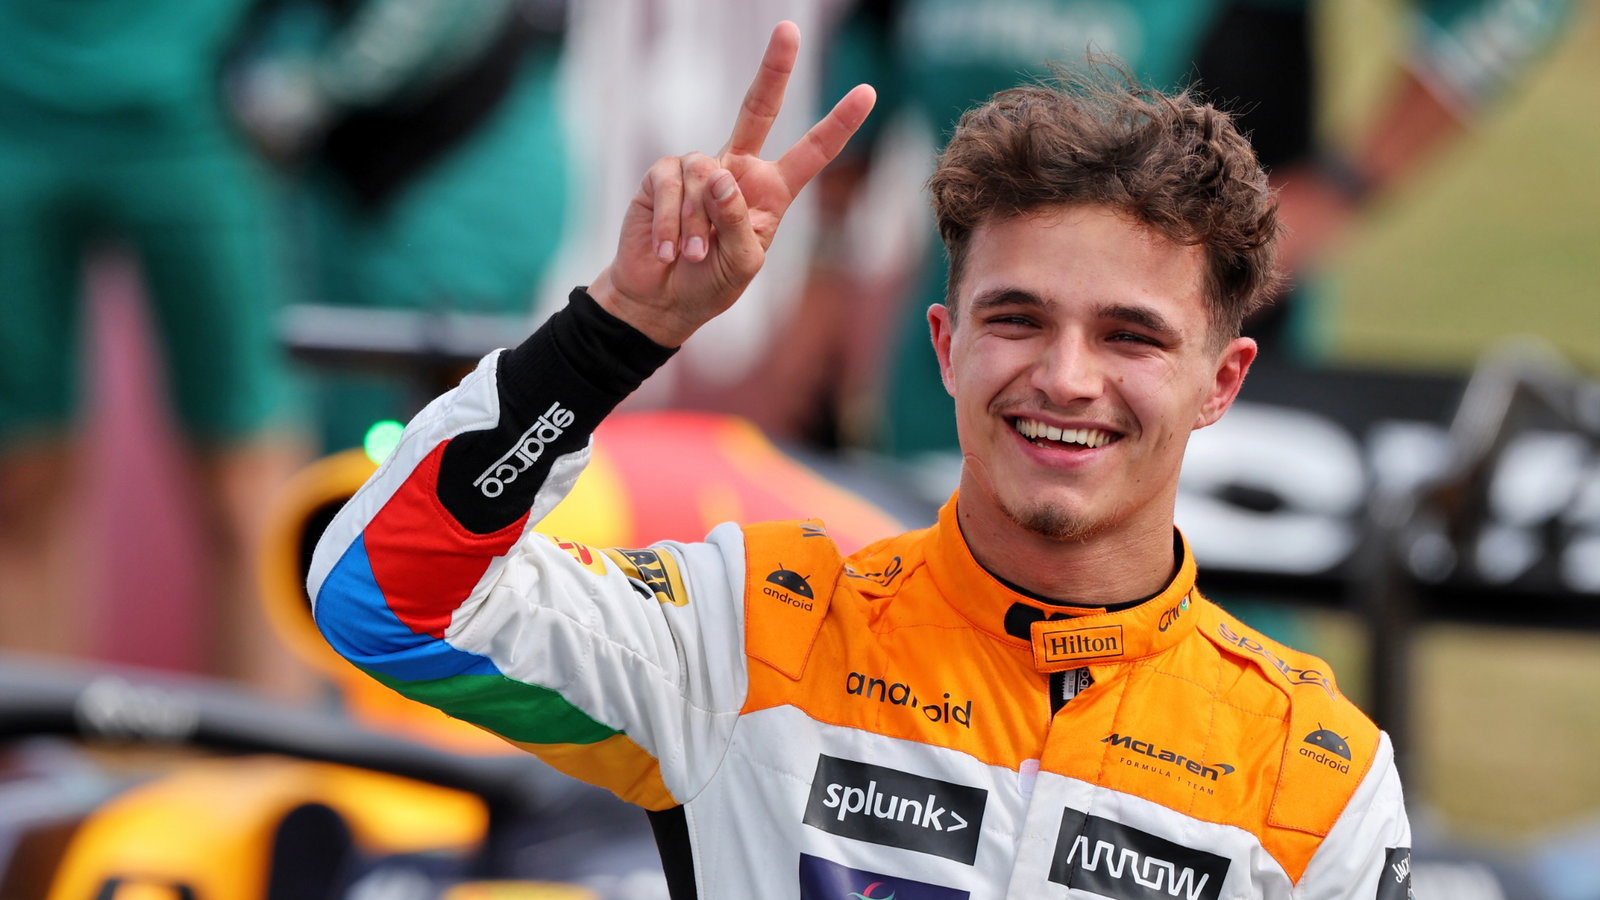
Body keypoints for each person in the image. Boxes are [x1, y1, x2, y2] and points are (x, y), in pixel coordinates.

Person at [309, 21, 1412, 898]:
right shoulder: (749, 641)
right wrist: (619, 329)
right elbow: (380, 601)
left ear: (1219, 382)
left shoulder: (1313, 772)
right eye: (1017, 319)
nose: (1066, 378)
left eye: (1129, 335)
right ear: (944, 345)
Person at [0, 0, 309, 692]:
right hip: (13, 110)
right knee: (19, 484)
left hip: (196, 116)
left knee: (247, 482)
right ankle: (37, 781)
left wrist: (294, 76)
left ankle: (269, 772)